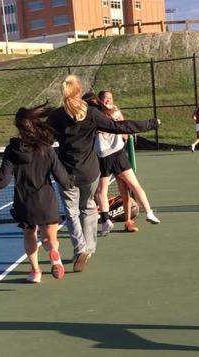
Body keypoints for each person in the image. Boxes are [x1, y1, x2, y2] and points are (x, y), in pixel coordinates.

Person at [48, 75, 159, 273]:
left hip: (65, 173)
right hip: (89, 172)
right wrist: (150, 123)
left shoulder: (55, 117)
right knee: (89, 207)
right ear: (78, 92)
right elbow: (119, 127)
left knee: (72, 212)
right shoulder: (90, 113)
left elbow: (44, 139)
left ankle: (79, 248)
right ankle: (88, 248)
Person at [0, 103, 73, 283]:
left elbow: (3, 179)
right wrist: (72, 184)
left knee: (29, 234)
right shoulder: (47, 150)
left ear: (19, 128)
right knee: (50, 236)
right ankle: (53, 253)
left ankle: (35, 272)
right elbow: (62, 177)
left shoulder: (12, 150)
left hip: (25, 202)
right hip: (46, 201)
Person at [94, 90, 161, 235]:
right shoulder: (95, 114)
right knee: (101, 191)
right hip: (103, 157)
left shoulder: (115, 112)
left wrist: (123, 136)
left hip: (118, 155)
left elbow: (124, 130)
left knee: (129, 187)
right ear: (100, 100)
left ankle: (146, 213)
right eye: (106, 98)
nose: (109, 100)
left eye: (111, 98)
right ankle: (106, 222)